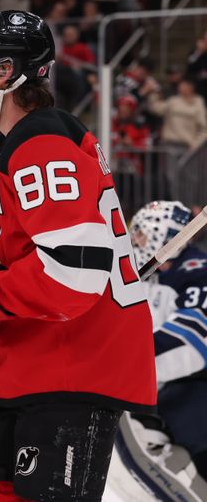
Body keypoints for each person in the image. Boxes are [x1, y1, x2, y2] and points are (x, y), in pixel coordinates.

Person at [0, 10, 157, 502]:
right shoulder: (25, 145)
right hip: (31, 366)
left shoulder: (43, 144)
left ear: (3, 73)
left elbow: (74, 274)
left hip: (70, 370)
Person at [108, 200, 207, 501]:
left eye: (141, 235)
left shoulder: (195, 272)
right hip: (167, 394)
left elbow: (195, 340)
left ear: (166, 239)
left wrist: (119, 368)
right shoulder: (153, 278)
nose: (135, 242)